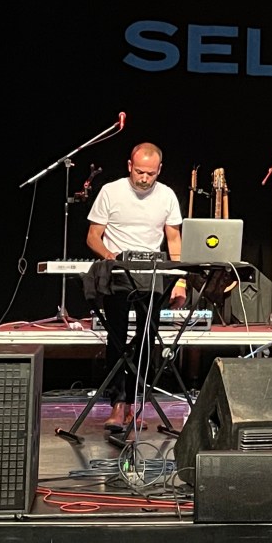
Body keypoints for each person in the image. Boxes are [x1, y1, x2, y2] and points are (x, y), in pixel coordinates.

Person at [86, 142, 188, 432]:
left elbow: (174, 240)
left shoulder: (166, 195)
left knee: (146, 339)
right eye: (139, 172)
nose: (144, 178)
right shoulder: (111, 191)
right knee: (117, 336)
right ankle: (118, 404)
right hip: (118, 271)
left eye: (150, 174)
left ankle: (134, 402)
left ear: (159, 170)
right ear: (130, 166)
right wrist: (111, 257)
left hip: (152, 273)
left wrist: (180, 281)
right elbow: (93, 236)